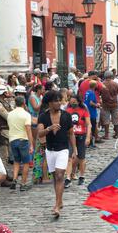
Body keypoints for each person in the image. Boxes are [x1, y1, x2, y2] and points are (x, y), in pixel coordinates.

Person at [37, 90, 77, 218]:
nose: (59, 103)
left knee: (60, 176)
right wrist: (49, 128)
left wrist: (74, 149)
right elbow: (39, 134)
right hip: (50, 150)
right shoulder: (43, 116)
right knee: (55, 177)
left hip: (63, 149)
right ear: (49, 103)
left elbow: (71, 133)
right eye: (56, 101)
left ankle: (56, 205)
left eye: (60, 100)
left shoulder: (66, 116)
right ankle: (59, 200)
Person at [7, 96, 33, 191]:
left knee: (16, 161)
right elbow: (28, 129)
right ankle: (23, 183)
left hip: (13, 140)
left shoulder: (10, 114)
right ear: (24, 103)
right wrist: (31, 144)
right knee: (26, 162)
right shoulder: (26, 114)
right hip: (23, 140)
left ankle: (14, 180)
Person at [65, 95, 91, 187]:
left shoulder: (84, 110)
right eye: (71, 102)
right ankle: (68, 177)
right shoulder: (67, 111)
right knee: (69, 157)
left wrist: (88, 137)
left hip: (81, 136)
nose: (73, 103)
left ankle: (82, 176)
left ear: (78, 101)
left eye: (74, 101)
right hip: (70, 136)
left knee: (81, 157)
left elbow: (88, 124)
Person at [100, 71, 118, 140]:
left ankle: (106, 135)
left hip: (105, 104)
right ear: (111, 76)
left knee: (106, 120)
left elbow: (99, 93)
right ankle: (116, 134)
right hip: (114, 103)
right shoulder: (115, 84)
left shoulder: (102, 84)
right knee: (115, 119)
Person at [84, 81, 101, 147]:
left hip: (87, 112)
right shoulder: (92, 93)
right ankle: (91, 143)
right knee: (92, 128)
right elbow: (91, 103)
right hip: (91, 112)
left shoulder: (87, 92)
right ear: (95, 86)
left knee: (88, 128)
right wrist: (97, 105)